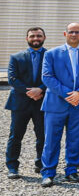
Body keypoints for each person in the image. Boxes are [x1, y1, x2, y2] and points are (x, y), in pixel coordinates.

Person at [40, 22, 79, 187]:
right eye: (71, 32)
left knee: (75, 139)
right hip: (56, 103)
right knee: (51, 140)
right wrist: (68, 94)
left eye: (77, 32)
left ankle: (71, 171)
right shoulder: (51, 53)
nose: (74, 34)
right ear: (65, 34)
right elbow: (47, 77)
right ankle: (48, 173)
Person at [6, 27, 47, 180]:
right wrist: (30, 92)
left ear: (44, 37)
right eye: (32, 36)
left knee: (42, 136)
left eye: (39, 35)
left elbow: (54, 76)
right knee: (15, 136)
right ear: (27, 38)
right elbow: (12, 79)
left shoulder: (50, 56)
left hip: (42, 101)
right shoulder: (16, 57)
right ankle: (12, 166)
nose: (35, 38)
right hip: (20, 102)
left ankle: (41, 164)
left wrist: (40, 90)